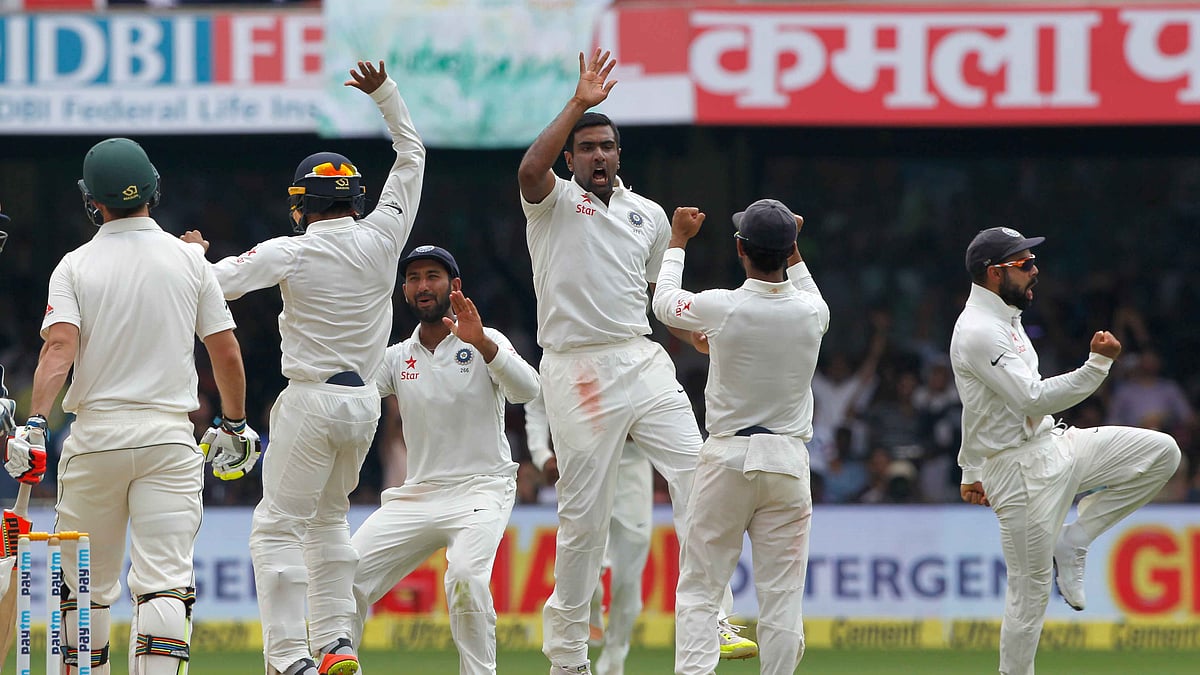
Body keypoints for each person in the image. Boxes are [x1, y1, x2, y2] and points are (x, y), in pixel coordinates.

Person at [182, 60, 425, 675]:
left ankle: (289, 656)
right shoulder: (385, 237)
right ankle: (336, 642)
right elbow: (412, 155)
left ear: (301, 205)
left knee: (277, 528)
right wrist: (387, 96)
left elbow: (213, 285)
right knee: (329, 521)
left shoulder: (292, 251)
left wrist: (190, 256)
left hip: (311, 401)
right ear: (355, 200)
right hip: (364, 406)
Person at [517, 49, 754, 673]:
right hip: (575, 368)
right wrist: (578, 103)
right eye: (586, 148)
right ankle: (568, 653)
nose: (597, 155)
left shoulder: (647, 215)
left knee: (700, 475)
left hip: (640, 358)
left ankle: (714, 614)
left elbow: (653, 295)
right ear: (571, 159)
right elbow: (529, 169)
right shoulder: (551, 201)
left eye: (606, 147)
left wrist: (688, 334)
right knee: (583, 518)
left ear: (619, 155)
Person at [5, 137, 252, 675]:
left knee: (84, 589)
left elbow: (59, 348)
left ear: (93, 201)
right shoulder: (189, 262)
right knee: (165, 584)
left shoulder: (74, 265)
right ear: (153, 190)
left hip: (96, 441)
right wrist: (234, 423)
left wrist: (36, 423)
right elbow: (226, 352)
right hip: (168, 440)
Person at [951, 227, 1181, 675]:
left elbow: (978, 405)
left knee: (1162, 453)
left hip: (1054, 444)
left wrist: (968, 468)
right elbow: (1031, 398)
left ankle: (1075, 539)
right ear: (994, 273)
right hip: (1017, 473)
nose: (1035, 271)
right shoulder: (979, 331)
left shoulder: (1006, 316)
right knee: (1030, 592)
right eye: (1024, 264)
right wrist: (1097, 366)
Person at [652, 200, 828, 675]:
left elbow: (663, 301)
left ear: (739, 249)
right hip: (787, 462)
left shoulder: (721, 306)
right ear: (789, 250)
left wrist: (678, 240)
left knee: (700, 588)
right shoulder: (814, 312)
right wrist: (792, 245)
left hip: (728, 457)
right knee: (783, 598)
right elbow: (804, 284)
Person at [349, 246, 539, 674]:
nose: (422, 286)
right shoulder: (397, 356)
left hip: (481, 488)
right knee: (345, 576)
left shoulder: (486, 339)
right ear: (404, 291)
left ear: (454, 286)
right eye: (413, 278)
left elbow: (528, 390)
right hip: (418, 494)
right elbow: (352, 394)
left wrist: (483, 344)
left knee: (466, 579)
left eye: (432, 276)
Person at [525, 390, 653, 675]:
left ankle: (615, 656)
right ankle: (592, 608)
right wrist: (541, 454)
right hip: (585, 463)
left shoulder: (640, 362)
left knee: (629, 578)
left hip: (632, 469)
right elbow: (537, 401)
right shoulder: (566, 362)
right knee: (584, 560)